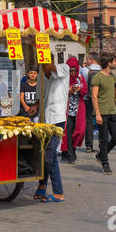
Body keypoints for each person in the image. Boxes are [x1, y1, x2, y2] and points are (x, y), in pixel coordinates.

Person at [33, 61, 69, 202]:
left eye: (44, 64)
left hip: (58, 118)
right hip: (45, 119)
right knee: (46, 154)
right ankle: (42, 186)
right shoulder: (41, 75)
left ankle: (58, 192)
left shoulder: (63, 68)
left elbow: (52, 68)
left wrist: (45, 57)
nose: (44, 68)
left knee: (50, 153)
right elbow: (40, 97)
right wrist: (35, 107)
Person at [91, 52, 116, 175]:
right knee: (103, 139)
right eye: (113, 61)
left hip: (112, 111)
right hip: (101, 112)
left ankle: (101, 155)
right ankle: (105, 164)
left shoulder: (112, 76)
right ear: (109, 63)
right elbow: (94, 96)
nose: (115, 63)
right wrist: (97, 113)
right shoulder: (97, 77)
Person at [60, 57, 87, 164]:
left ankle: (72, 150)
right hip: (67, 111)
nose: (73, 72)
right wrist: (69, 91)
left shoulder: (80, 79)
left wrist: (80, 89)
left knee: (80, 132)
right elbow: (59, 93)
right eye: (71, 70)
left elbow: (85, 91)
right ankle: (70, 154)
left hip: (78, 110)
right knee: (68, 133)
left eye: (75, 70)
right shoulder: (63, 79)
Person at [83, 52, 101, 153]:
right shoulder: (102, 72)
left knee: (88, 121)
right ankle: (102, 144)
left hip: (88, 99)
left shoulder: (85, 71)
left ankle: (89, 144)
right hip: (100, 99)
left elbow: (83, 85)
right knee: (101, 119)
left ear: (90, 60)